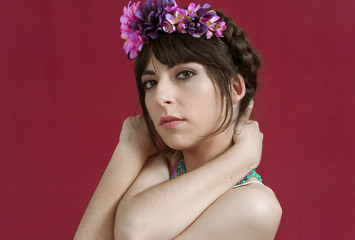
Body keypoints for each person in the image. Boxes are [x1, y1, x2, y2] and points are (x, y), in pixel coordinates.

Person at [74, 0, 282, 239]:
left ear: (235, 88)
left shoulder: (256, 206)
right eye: (150, 83)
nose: (160, 97)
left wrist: (240, 160)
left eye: (185, 74)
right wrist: (128, 150)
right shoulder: (163, 165)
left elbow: (134, 230)